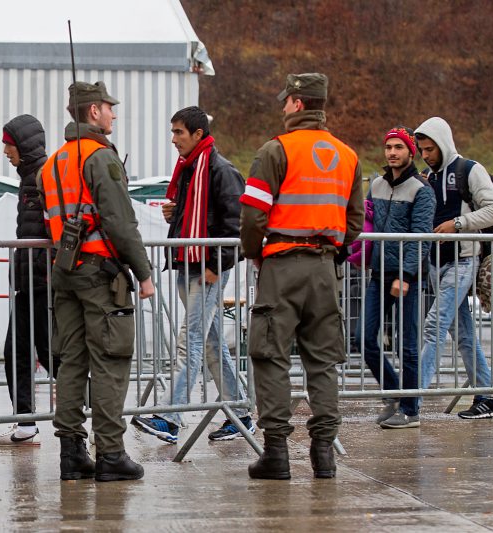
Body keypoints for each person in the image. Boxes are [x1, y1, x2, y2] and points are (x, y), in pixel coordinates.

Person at [239, 73, 363, 479]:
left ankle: (276, 453)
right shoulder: (347, 156)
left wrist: (256, 254)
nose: (282, 108)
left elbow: (253, 216)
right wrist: (332, 252)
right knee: (323, 361)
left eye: (285, 101)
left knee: (270, 355)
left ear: (296, 103)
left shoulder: (275, 150)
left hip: (281, 263)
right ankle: (324, 454)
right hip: (325, 268)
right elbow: (355, 221)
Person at [38, 81, 155, 481]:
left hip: (64, 271)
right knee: (110, 361)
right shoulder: (101, 158)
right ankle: (110, 454)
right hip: (100, 272)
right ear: (93, 111)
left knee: (72, 360)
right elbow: (120, 222)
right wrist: (143, 273)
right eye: (108, 107)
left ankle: (71, 453)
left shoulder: (51, 164)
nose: (113, 114)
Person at [130, 106, 254, 443]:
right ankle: (241, 414)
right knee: (211, 343)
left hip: (206, 270)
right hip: (188, 266)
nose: (173, 139)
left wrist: (216, 267)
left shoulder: (221, 170)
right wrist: (176, 213)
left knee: (191, 341)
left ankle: (169, 417)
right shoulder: (190, 168)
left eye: (179, 132)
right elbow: (200, 217)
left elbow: (236, 226)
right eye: (172, 132)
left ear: (198, 134)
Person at [415, 117, 493, 419]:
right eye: (422, 150)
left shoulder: (470, 170)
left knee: (434, 326)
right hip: (436, 264)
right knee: (463, 335)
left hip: (464, 260)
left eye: (430, 149)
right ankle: (488, 397)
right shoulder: (429, 176)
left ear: (443, 144)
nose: (425, 155)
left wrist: (459, 224)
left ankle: (411, 403)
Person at [0, 115, 60, 446]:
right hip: (29, 282)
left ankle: (94, 408)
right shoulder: (29, 178)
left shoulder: (45, 176)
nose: (5, 151)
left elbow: (55, 229)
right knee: (16, 351)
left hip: (43, 283)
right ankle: (26, 422)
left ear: (24, 146)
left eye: (9, 144)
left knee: (49, 354)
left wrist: (48, 268)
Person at [362, 127, 435, 429]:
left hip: (409, 279)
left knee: (407, 346)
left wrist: (405, 275)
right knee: (363, 338)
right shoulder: (377, 185)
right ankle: (394, 391)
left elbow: (421, 238)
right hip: (379, 274)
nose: (392, 152)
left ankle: (410, 410)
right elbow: (368, 221)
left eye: (398, 147)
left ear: (410, 152)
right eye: (388, 147)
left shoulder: (421, 190)